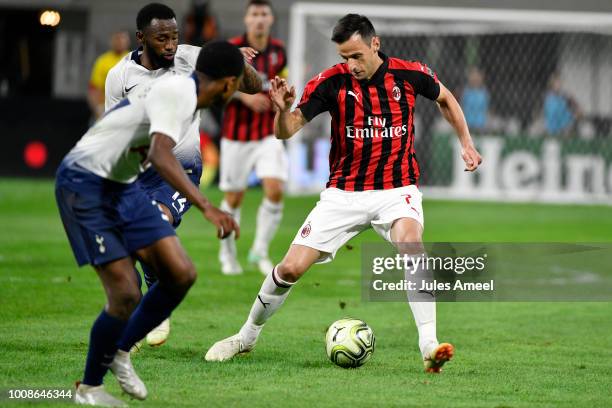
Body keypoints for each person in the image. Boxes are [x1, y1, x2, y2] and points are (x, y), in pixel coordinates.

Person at [205, 14, 482, 373]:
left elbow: (446, 99)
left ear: (375, 44)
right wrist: (280, 110)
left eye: (356, 56)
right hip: (343, 194)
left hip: (396, 189)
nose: (350, 65)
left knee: (412, 245)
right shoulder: (330, 83)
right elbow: (286, 130)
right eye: (344, 58)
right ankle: (245, 337)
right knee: (289, 269)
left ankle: (429, 344)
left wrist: (467, 143)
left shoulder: (410, 74)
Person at [57, 41, 245, 406]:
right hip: (86, 183)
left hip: (123, 186)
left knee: (181, 273)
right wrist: (208, 207)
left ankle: (120, 351)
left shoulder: (188, 97)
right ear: (227, 84)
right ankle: (90, 388)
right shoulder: (178, 92)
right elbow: (160, 153)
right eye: (236, 84)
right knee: (126, 293)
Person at [105, 3, 261, 348]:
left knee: (154, 225)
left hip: (181, 167)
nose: (171, 45)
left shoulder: (192, 57)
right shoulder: (119, 77)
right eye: (162, 38)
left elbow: (253, 86)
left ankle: (153, 308)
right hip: (137, 171)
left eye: (175, 36)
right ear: (141, 38)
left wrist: (236, 62)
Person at [219, 0, 289, 276]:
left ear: (270, 19)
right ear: (247, 20)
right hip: (236, 136)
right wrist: (243, 96)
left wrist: (279, 96)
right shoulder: (231, 48)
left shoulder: (278, 51)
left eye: (264, 14)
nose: (259, 19)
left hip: (266, 133)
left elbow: (281, 78)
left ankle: (259, 250)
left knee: (275, 189)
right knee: (234, 198)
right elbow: (215, 85)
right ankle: (227, 254)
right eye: (254, 14)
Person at [87, 30, 130, 119]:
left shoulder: (135, 60)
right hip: (106, 109)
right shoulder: (102, 61)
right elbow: (94, 88)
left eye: (122, 38)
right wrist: (98, 109)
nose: (119, 41)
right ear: (111, 41)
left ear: (127, 41)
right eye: (116, 38)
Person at [461, 67, 489, 133]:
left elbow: (486, 109)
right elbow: (462, 106)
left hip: (481, 124)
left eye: (477, 76)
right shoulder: (466, 92)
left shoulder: (484, 93)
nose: (475, 78)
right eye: (473, 76)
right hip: (467, 123)